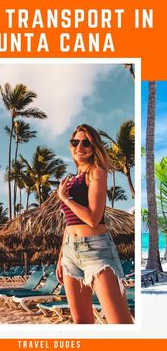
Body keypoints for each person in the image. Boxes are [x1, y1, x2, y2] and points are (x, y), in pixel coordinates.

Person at [56, 124, 133, 324]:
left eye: (86, 143)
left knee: (120, 324)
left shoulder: (96, 172)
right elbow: (68, 223)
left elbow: (93, 218)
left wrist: (65, 199)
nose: (80, 147)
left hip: (96, 251)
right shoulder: (71, 180)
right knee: (81, 323)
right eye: (75, 142)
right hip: (70, 254)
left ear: (94, 147)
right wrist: (61, 257)